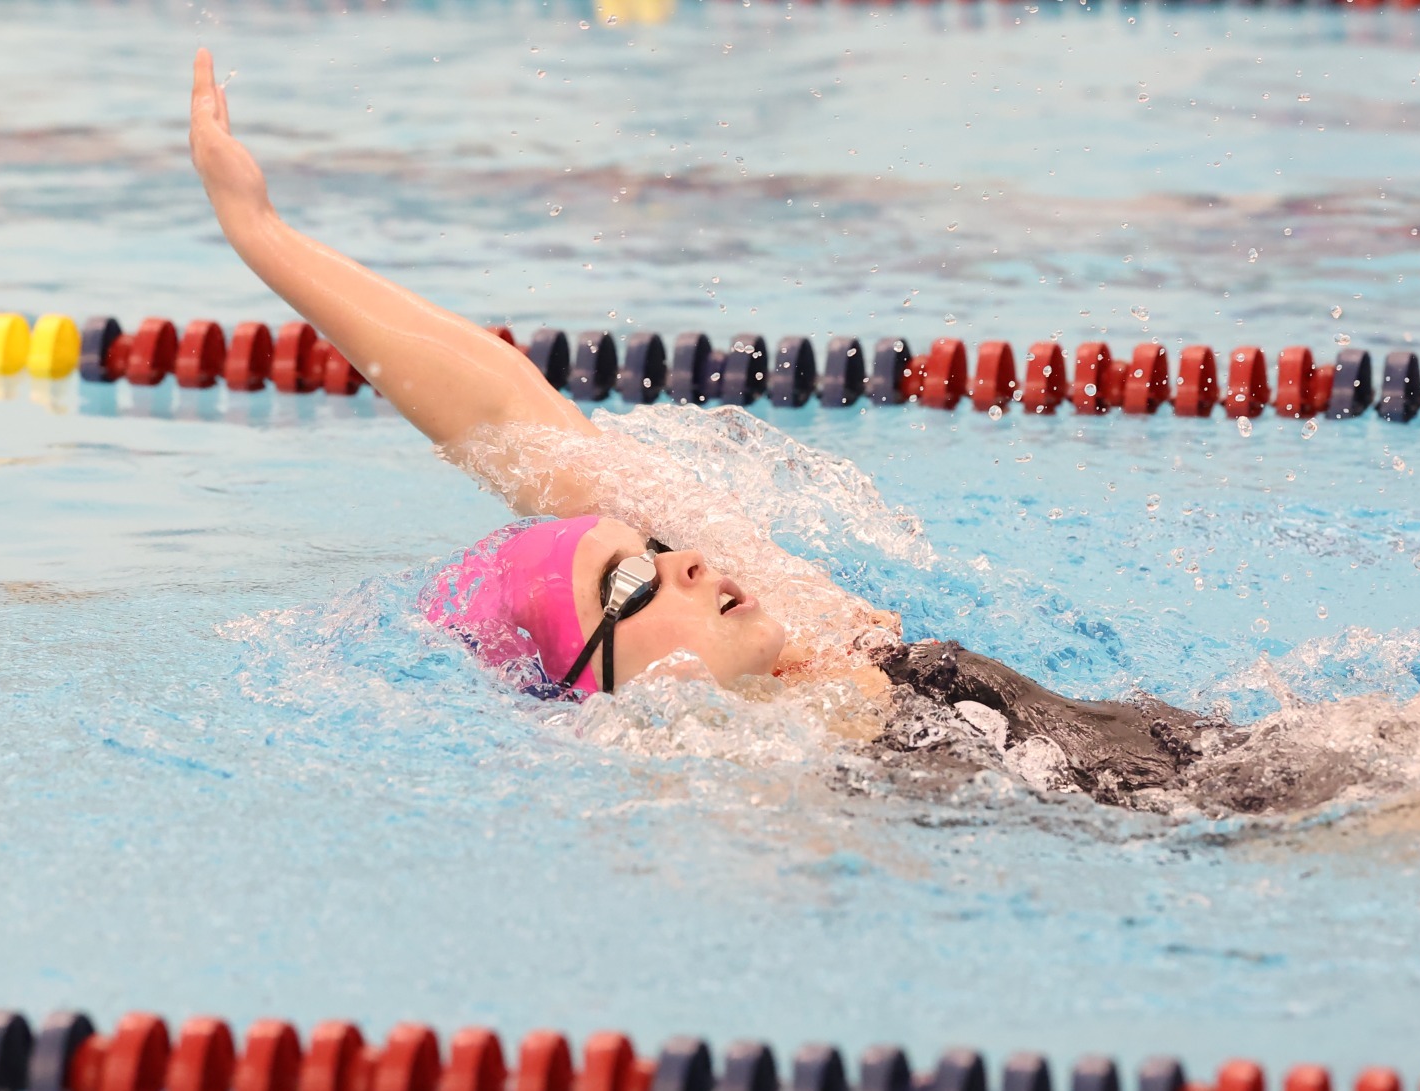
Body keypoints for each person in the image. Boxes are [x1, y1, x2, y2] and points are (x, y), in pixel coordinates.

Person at [187, 49, 1233, 807]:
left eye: (646, 549)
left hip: (1233, 767)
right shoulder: (735, 784)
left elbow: (515, 418)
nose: (679, 558)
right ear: (593, 686)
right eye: (628, 583)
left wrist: (264, 235)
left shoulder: (828, 639)